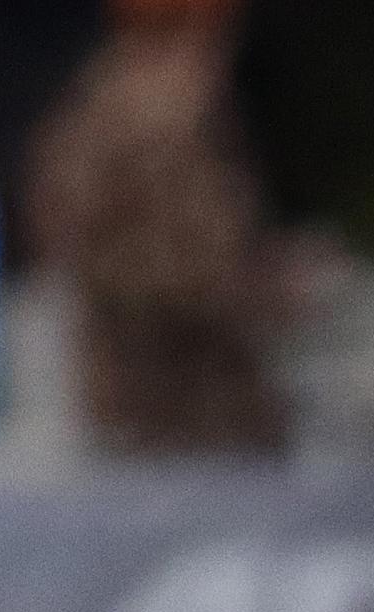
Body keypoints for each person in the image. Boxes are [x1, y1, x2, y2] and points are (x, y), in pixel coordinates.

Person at [24, 0, 287, 458]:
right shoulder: (167, 107)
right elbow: (174, 271)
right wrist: (270, 290)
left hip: (134, 409)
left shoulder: (101, 91)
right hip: (185, 418)